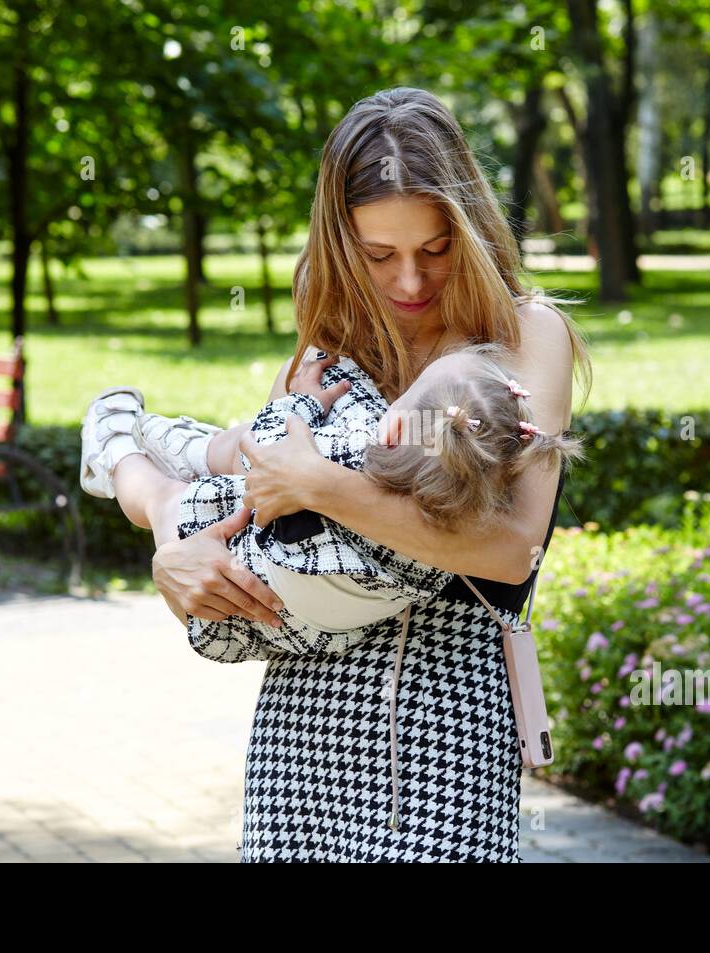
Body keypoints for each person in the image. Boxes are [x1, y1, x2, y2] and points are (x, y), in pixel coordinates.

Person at [95, 87, 592, 861]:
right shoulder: (329, 343)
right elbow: (256, 510)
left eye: (434, 249)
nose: (409, 282)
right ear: (339, 239)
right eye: (378, 254)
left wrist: (321, 484)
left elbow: (509, 550)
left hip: (450, 730)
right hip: (304, 731)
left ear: (471, 228)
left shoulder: (527, 334)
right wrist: (176, 556)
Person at [80, 343, 583, 662]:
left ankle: (117, 447)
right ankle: (175, 446)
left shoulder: (350, 453)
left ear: (393, 426)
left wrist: (300, 400)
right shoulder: (444, 539)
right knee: (204, 478)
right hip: (302, 627)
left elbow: (271, 449)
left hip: (251, 557)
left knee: (162, 498)